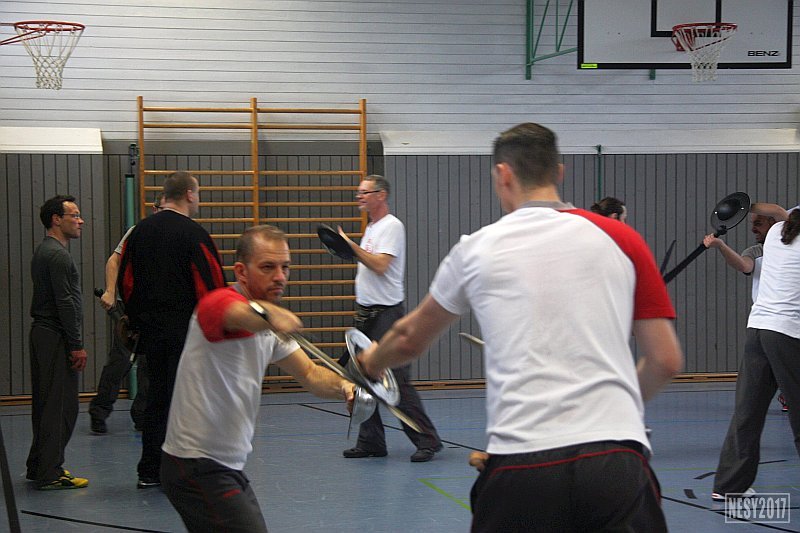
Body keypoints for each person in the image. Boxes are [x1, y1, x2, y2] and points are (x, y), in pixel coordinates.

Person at [358, 123, 683, 532]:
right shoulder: (623, 239)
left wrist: (372, 362)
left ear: (503, 174)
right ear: (559, 172)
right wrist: (615, 411)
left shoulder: (476, 248)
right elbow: (665, 360)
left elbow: (408, 339)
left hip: (523, 460)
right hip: (616, 459)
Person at [160, 225, 355, 532]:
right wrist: (270, 314)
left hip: (227, 465)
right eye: (267, 267)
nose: (280, 276)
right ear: (241, 271)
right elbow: (239, 315)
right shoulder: (216, 305)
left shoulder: (270, 329)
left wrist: (345, 386)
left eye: (285, 267)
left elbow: (310, 374)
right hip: (196, 465)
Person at [119, 172, 225, 488]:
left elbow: (126, 282)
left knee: (157, 398)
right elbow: (212, 289)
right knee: (190, 401)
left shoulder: (139, 232)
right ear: (190, 194)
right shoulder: (195, 235)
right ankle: (184, 469)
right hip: (188, 334)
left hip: (152, 333)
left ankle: (150, 469)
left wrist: (136, 321)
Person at [336, 174, 443, 463]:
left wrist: (350, 246)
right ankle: (371, 442)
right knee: (361, 376)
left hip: (386, 314)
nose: (359, 197)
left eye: (364, 192)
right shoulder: (372, 227)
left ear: (381, 195)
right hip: (366, 314)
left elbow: (381, 265)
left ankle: (428, 441)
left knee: (396, 378)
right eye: (359, 192)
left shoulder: (392, 226)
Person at [712, 204, 800, 501]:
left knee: (748, 410)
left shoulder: (774, 235)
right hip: (787, 333)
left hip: (758, 330)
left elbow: (775, 211)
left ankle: (729, 485)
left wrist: (741, 205)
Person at [26, 195, 90, 490]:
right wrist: (76, 344)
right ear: (56, 219)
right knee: (61, 407)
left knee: (46, 403)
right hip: (55, 337)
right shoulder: (58, 256)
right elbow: (65, 303)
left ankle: (39, 464)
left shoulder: (45, 250)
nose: (80, 221)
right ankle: (50, 472)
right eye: (74, 215)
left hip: (43, 334)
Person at [89, 194, 166, 434]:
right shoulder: (137, 232)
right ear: (154, 209)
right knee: (120, 360)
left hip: (154, 310)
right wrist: (110, 291)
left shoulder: (174, 235)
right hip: (129, 307)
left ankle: (142, 415)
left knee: (150, 364)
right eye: (161, 208)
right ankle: (99, 411)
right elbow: (114, 260)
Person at [703, 209, 789, 413]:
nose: (753, 229)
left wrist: (745, 205)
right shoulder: (755, 251)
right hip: (765, 323)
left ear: (773, 224)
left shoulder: (791, 249)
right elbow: (744, 265)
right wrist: (721, 246)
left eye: (758, 223)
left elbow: (780, 213)